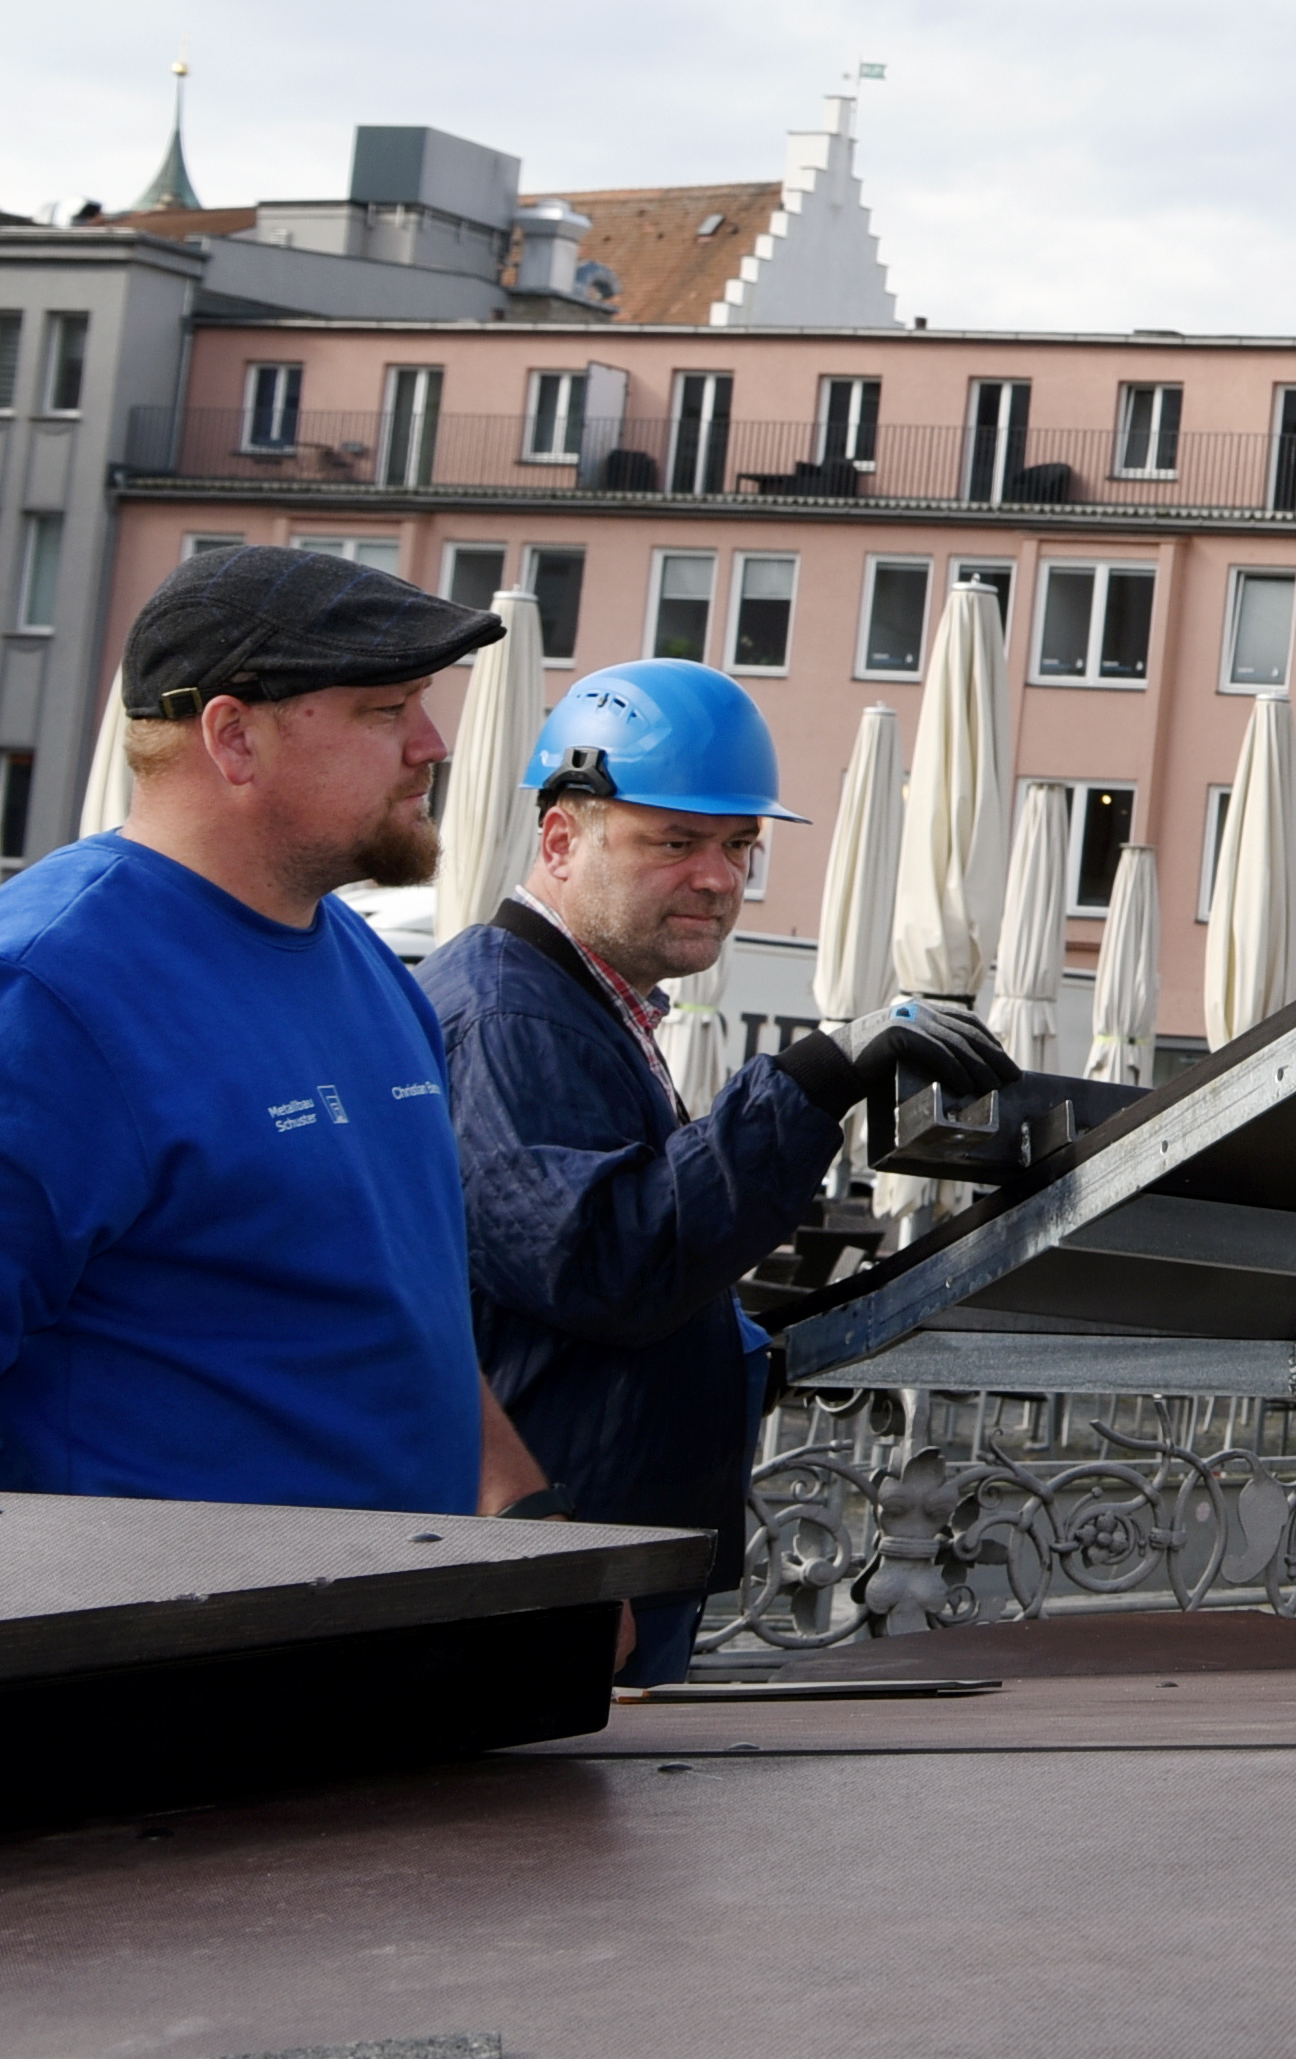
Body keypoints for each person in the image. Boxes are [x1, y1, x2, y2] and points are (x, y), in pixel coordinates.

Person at [0, 549, 540, 1513]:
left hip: (390, 1629)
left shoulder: (355, 956)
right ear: (233, 739)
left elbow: (402, 1312)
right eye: (386, 710)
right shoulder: (36, 989)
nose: (433, 745)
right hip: (162, 1645)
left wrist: (525, 1518)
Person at [425, 660, 1013, 1681]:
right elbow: (606, 1257)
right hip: (550, 1560)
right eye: (676, 840)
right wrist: (818, 1073)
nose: (719, 875)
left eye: (740, 844)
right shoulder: (511, 1011)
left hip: (591, 1550)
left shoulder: (573, 1002)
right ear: (560, 839)